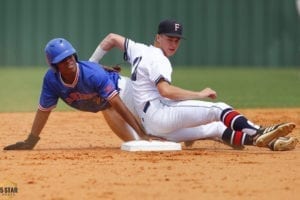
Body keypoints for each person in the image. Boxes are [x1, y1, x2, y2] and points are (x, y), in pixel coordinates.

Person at [87, 19, 298, 151]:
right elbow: (165, 91)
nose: (173, 43)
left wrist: (91, 64)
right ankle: (260, 131)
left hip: (154, 128)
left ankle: (269, 142)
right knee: (218, 108)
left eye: (177, 40)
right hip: (160, 117)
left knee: (214, 128)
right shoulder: (159, 59)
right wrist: (200, 93)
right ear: (158, 38)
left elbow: (112, 38)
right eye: (169, 38)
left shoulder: (138, 49)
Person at [3, 38, 148, 150]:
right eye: (62, 60)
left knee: (156, 129)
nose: (68, 61)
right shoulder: (51, 81)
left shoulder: (93, 74)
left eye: (70, 56)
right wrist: (31, 140)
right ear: (55, 66)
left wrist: (141, 131)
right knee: (136, 144)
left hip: (125, 93)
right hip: (108, 106)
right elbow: (43, 111)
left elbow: (117, 102)